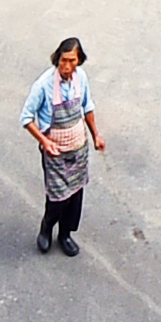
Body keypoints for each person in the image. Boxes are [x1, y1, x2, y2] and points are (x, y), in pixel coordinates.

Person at [24, 37, 105, 255]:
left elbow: (87, 107)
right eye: (63, 60)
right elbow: (27, 118)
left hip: (78, 149)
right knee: (58, 198)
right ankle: (46, 228)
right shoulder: (43, 85)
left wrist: (96, 135)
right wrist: (45, 141)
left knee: (75, 197)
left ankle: (65, 234)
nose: (66, 66)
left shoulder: (81, 78)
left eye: (71, 61)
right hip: (55, 153)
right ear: (57, 58)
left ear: (79, 61)